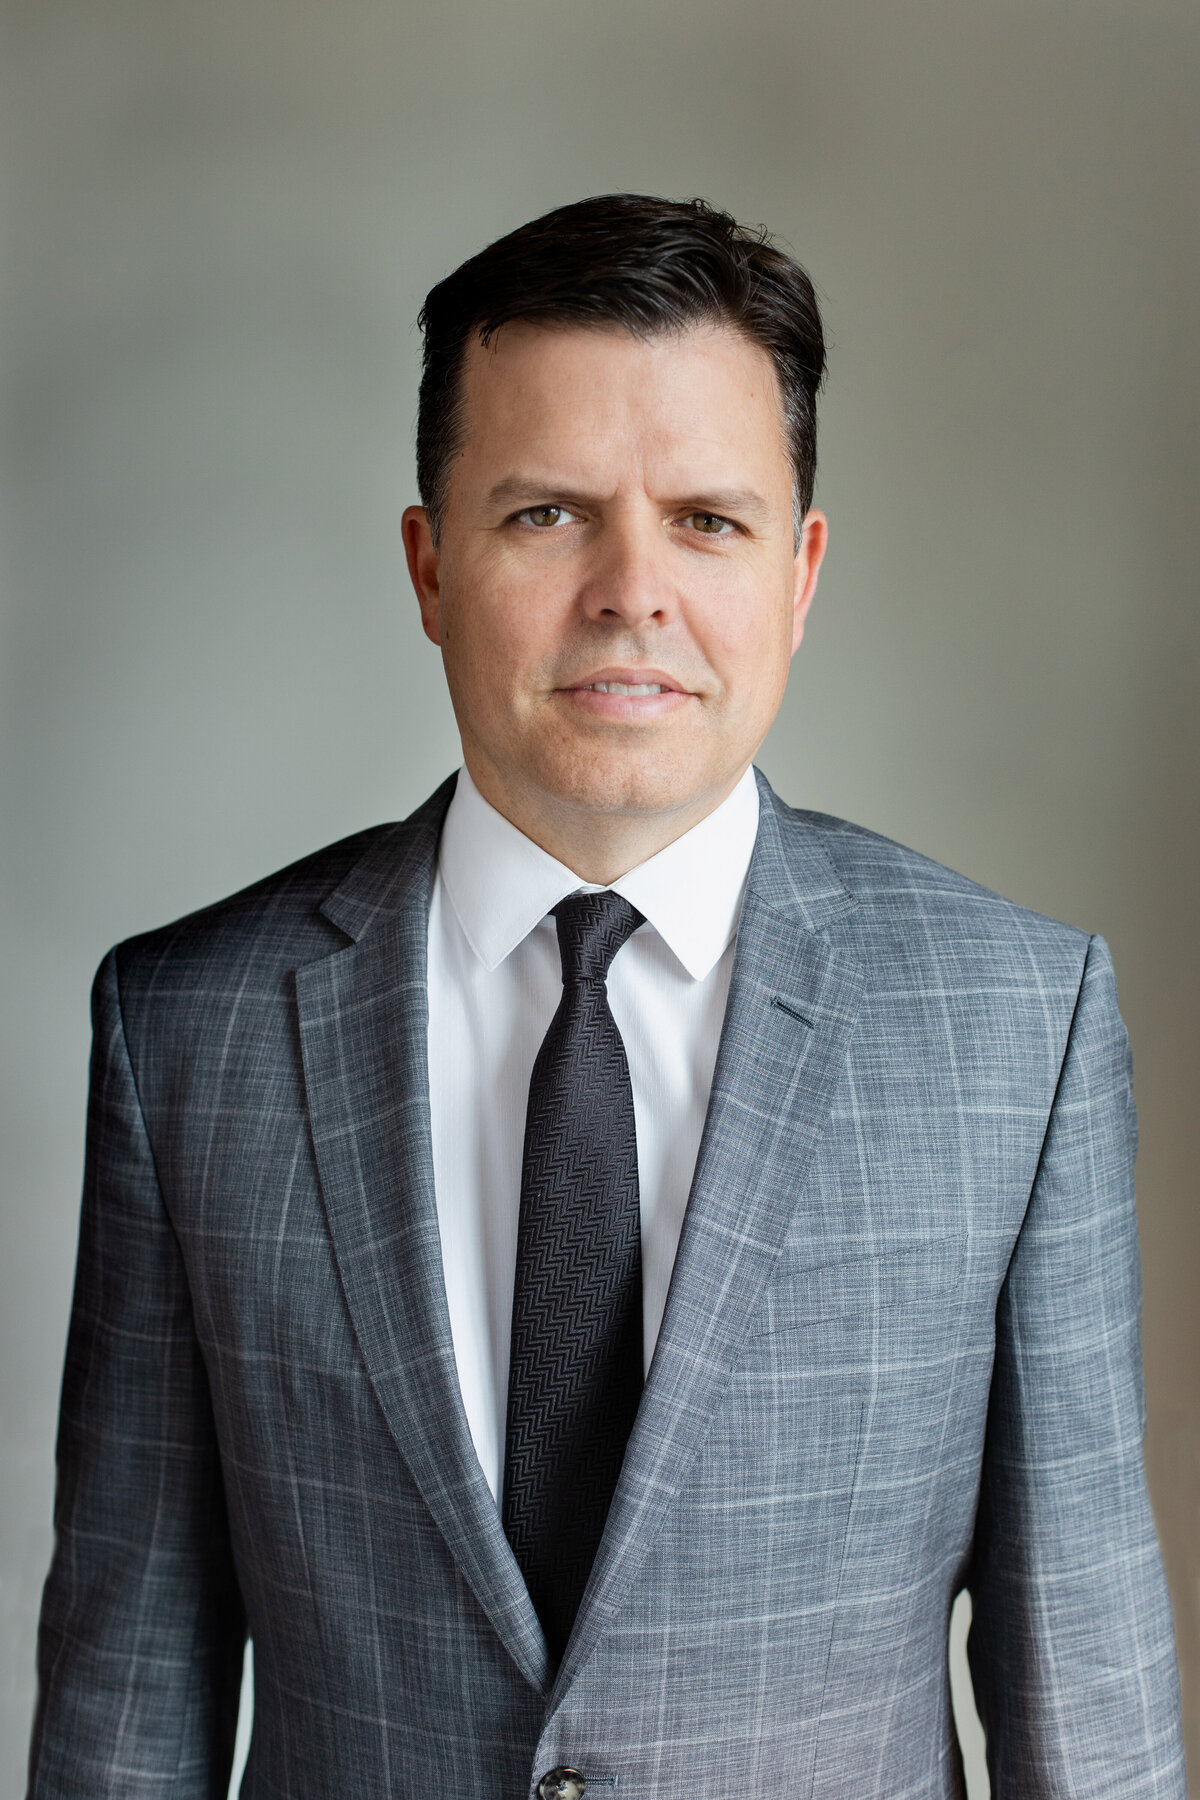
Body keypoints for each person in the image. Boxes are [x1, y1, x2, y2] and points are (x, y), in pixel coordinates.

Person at [29, 194, 1186, 1799]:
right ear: (430, 564)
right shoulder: (189, 1035)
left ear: (800, 572)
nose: (631, 591)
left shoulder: (1018, 1029)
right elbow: (123, 1707)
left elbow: (1089, 1693)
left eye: (708, 520)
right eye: (548, 515)